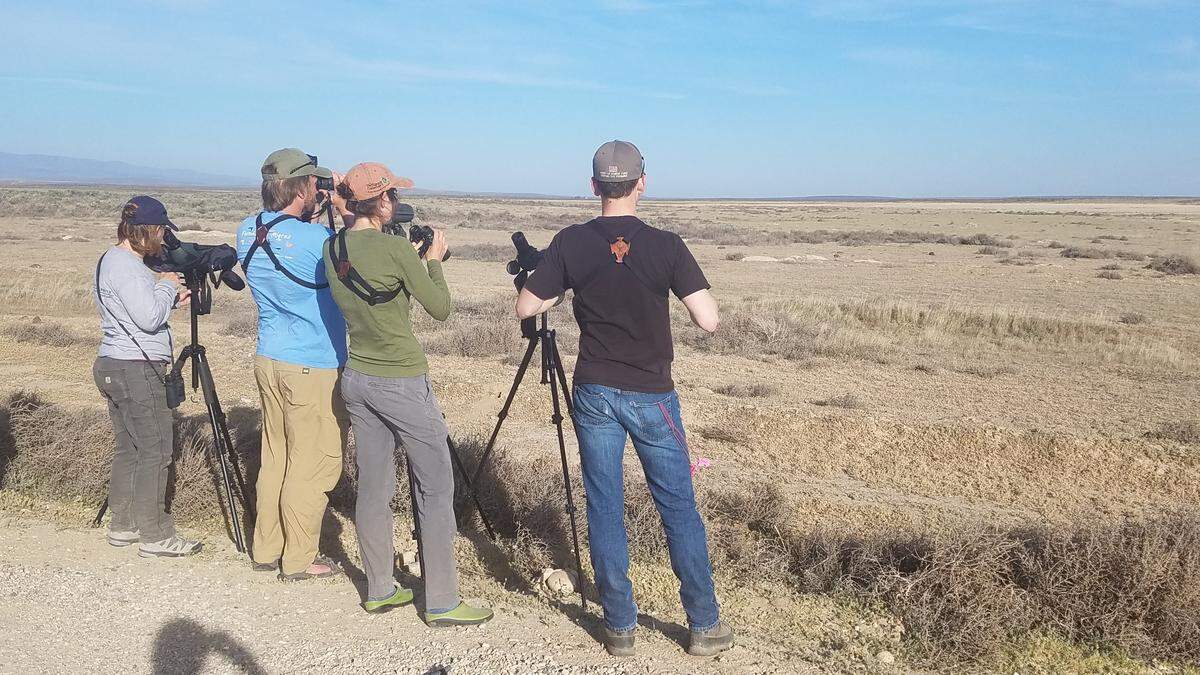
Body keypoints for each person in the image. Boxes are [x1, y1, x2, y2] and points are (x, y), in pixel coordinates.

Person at [516, 140, 732, 657]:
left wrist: (559, 285)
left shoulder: (571, 242)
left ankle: (619, 626)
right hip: (652, 393)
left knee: (605, 505)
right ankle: (703, 624)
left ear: (594, 186)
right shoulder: (667, 245)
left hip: (594, 390)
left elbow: (527, 306)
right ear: (642, 182)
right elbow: (709, 319)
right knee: (678, 506)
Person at [323, 162, 492, 626]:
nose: (396, 203)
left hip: (357, 376)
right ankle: (442, 600)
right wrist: (432, 260)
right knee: (435, 487)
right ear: (380, 202)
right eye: (392, 196)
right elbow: (439, 308)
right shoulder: (397, 251)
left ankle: (379, 588)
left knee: (373, 488)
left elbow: (370, 278)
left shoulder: (332, 246)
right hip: (400, 379)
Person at [236, 148, 350, 581]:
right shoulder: (315, 241)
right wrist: (341, 205)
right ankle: (300, 559)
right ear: (303, 187)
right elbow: (350, 268)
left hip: (269, 357)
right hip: (313, 364)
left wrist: (317, 208)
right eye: (315, 183)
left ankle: (266, 549)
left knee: (276, 456)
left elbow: (290, 241)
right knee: (315, 460)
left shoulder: (247, 230)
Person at [93, 195, 201, 558]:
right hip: (136, 369)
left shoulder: (115, 261)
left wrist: (166, 296)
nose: (163, 239)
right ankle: (155, 535)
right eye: (161, 231)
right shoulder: (125, 265)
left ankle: (123, 525)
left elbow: (138, 311)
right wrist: (168, 285)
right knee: (156, 452)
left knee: (131, 450)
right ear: (148, 230)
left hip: (115, 363)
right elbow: (148, 318)